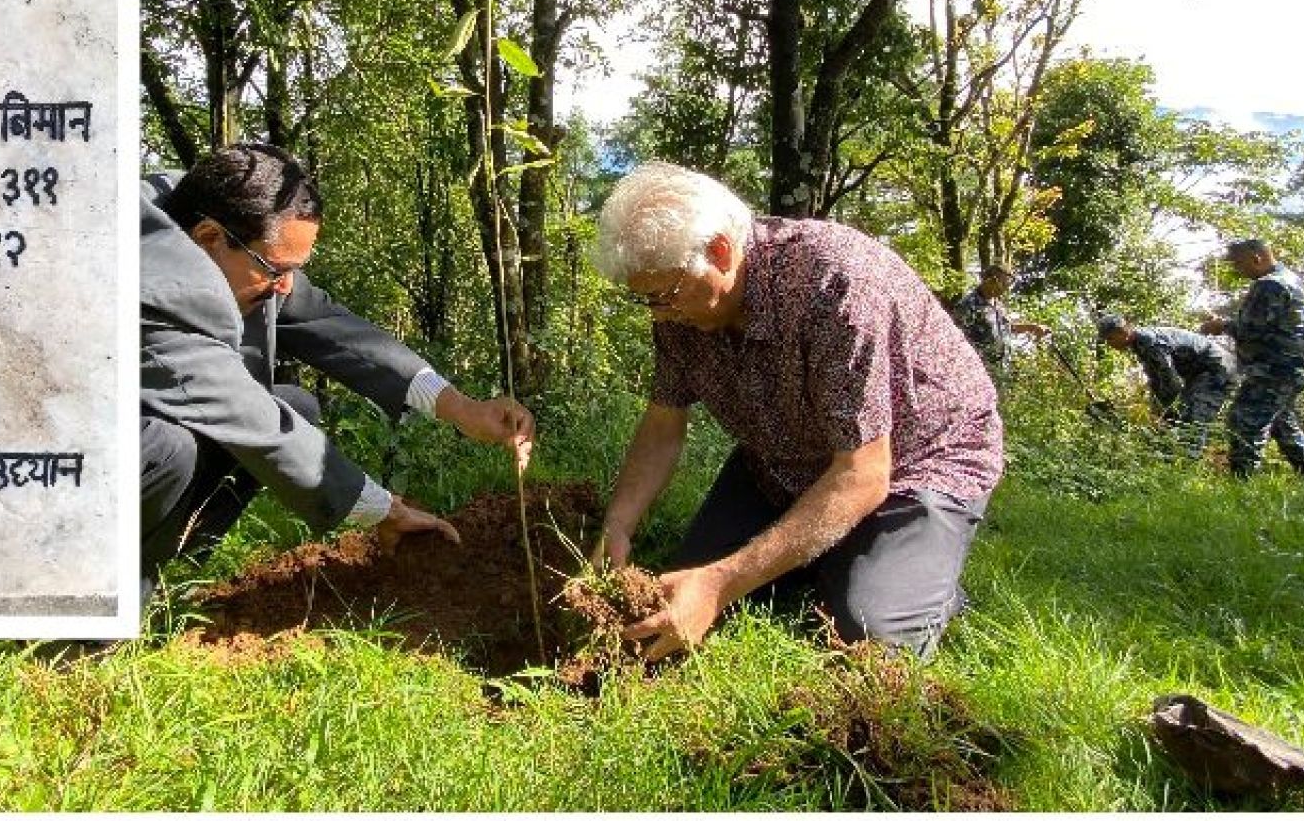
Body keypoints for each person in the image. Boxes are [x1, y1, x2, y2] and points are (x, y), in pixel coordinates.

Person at [591, 162, 1002, 661]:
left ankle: (921, 585)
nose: (660, 314)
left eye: (667, 295)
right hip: (783, 454)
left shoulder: (835, 283)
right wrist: (619, 525)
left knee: (867, 635)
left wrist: (721, 582)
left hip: (917, 457)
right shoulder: (679, 302)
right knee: (682, 587)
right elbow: (662, 425)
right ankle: (829, 555)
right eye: (646, 300)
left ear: (720, 251)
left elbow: (862, 474)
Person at [139, 142, 535, 602]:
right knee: (168, 448)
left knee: (297, 406)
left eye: (294, 271)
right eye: (275, 270)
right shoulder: (145, 280)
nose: (285, 287)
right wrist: (383, 510)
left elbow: (332, 328)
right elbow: (251, 421)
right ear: (209, 238)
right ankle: (80, 615)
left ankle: (163, 581)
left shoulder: (213, 229)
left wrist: (461, 407)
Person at [1202, 238, 1304, 478]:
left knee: (1244, 420)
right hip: (1293, 369)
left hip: (1273, 370)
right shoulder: (1291, 279)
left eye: (1238, 263)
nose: (1237, 269)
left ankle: (1242, 483)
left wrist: (1220, 325)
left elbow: (1251, 329)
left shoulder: (1269, 285)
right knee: (1281, 421)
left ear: (1257, 258)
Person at [1095, 314, 1238, 458]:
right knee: (1179, 413)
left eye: (1110, 338)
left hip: (1217, 369)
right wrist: (1158, 409)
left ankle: (1187, 463)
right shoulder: (1139, 344)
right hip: (1200, 373)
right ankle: (1176, 455)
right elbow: (1157, 381)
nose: (1109, 344)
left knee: (1195, 414)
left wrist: (1166, 413)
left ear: (1122, 332)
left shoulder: (1150, 342)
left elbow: (1171, 382)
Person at [949, 265, 1048, 376]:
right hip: (979, 372)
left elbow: (1008, 327)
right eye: (1004, 284)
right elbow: (955, 340)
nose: (1005, 289)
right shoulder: (967, 305)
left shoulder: (997, 304)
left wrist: (1032, 327)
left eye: (1007, 285)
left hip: (1002, 371)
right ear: (990, 280)